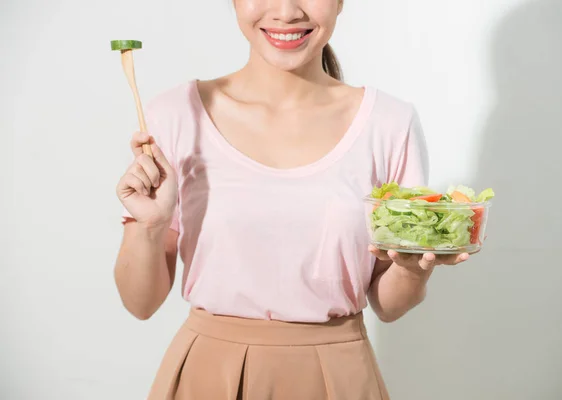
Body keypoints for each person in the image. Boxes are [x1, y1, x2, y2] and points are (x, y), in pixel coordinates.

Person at [114, 0, 471, 398]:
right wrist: (150, 225)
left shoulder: (390, 123)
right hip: (207, 376)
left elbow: (389, 305)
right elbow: (140, 303)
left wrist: (413, 268)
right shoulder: (175, 114)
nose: (285, 12)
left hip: (340, 375)